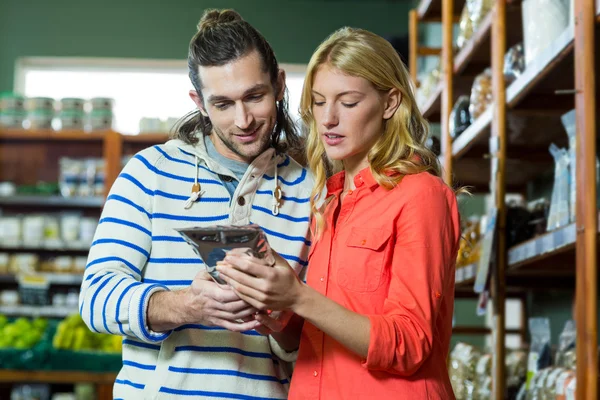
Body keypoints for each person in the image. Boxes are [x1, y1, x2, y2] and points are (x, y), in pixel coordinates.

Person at [79, 9, 313, 400]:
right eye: (222, 104)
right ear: (199, 102)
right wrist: (187, 306)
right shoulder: (148, 173)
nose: (243, 120)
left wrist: (280, 312)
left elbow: (312, 341)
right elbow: (96, 299)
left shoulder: (311, 191)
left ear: (280, 85)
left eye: (255, 96)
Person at [217, 27, 461, 399]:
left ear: (390, 102)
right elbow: (328, 325)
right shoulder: (330, 201)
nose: (328, 119)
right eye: (318, 102)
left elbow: (410, 343)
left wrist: (298, 296)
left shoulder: (422, 195)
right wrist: (276, 307)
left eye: (347, 103)